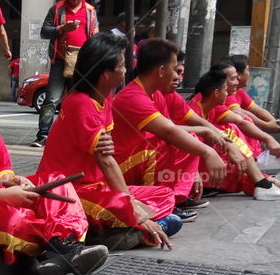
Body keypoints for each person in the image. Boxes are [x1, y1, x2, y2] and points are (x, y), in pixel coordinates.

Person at [0, 55, 108, 275]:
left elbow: (4, 170)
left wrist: (16, 181)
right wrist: (7, 195)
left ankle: (62, 245)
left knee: (55, 182)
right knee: (13, 218)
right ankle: (61, 248)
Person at [36, 33, 179, 250]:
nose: (125, 70)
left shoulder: (105, 97)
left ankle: (135, 229)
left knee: (165, 195)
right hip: (72, 190)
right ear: (106, 74)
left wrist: (132, 202)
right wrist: (134, 209)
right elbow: (106, 161)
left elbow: (107, 154)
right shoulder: (80, 104)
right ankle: (119, 232)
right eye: (121, 65)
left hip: (99, 186)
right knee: (125, 207)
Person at [111, 38, 228, 218]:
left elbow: (173, 129)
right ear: (161, 71)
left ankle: (171, 200)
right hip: (118, 167)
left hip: (136, 160)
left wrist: (198, 159)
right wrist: (207, 153)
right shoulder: (133, 97)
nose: (177, 76)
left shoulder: (155, 94)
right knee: (168, 142)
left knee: (184, 139)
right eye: (174, 69)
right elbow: (170, 132)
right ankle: (162, 203)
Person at [191, 69, 280, 202]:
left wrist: (268, 135)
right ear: (216, 92)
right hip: (192, 168)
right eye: (228, 83)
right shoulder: (195, 106)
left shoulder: (212, 104)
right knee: (230, 133)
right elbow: (183, 136)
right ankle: (270, 185)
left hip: (208, 162)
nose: (231, 88)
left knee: (234, 139)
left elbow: (241, 120)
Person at [31, 0, 99, 147]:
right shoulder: (57, 9)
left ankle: (76, 135)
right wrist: (62, 29)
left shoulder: (90, 11)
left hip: (82, 63)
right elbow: (44, 31)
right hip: (59, 61)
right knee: (51, 100)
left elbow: (95, 36)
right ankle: (43, 135)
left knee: (79, 100)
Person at [224, 54, 280, 133]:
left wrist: (273, 122)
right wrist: (266, 126)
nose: (249, 73)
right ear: (239, 75)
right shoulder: (226, 94)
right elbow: (242, 113)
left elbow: (256, 109)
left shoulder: (239, 91)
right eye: (247, 70)